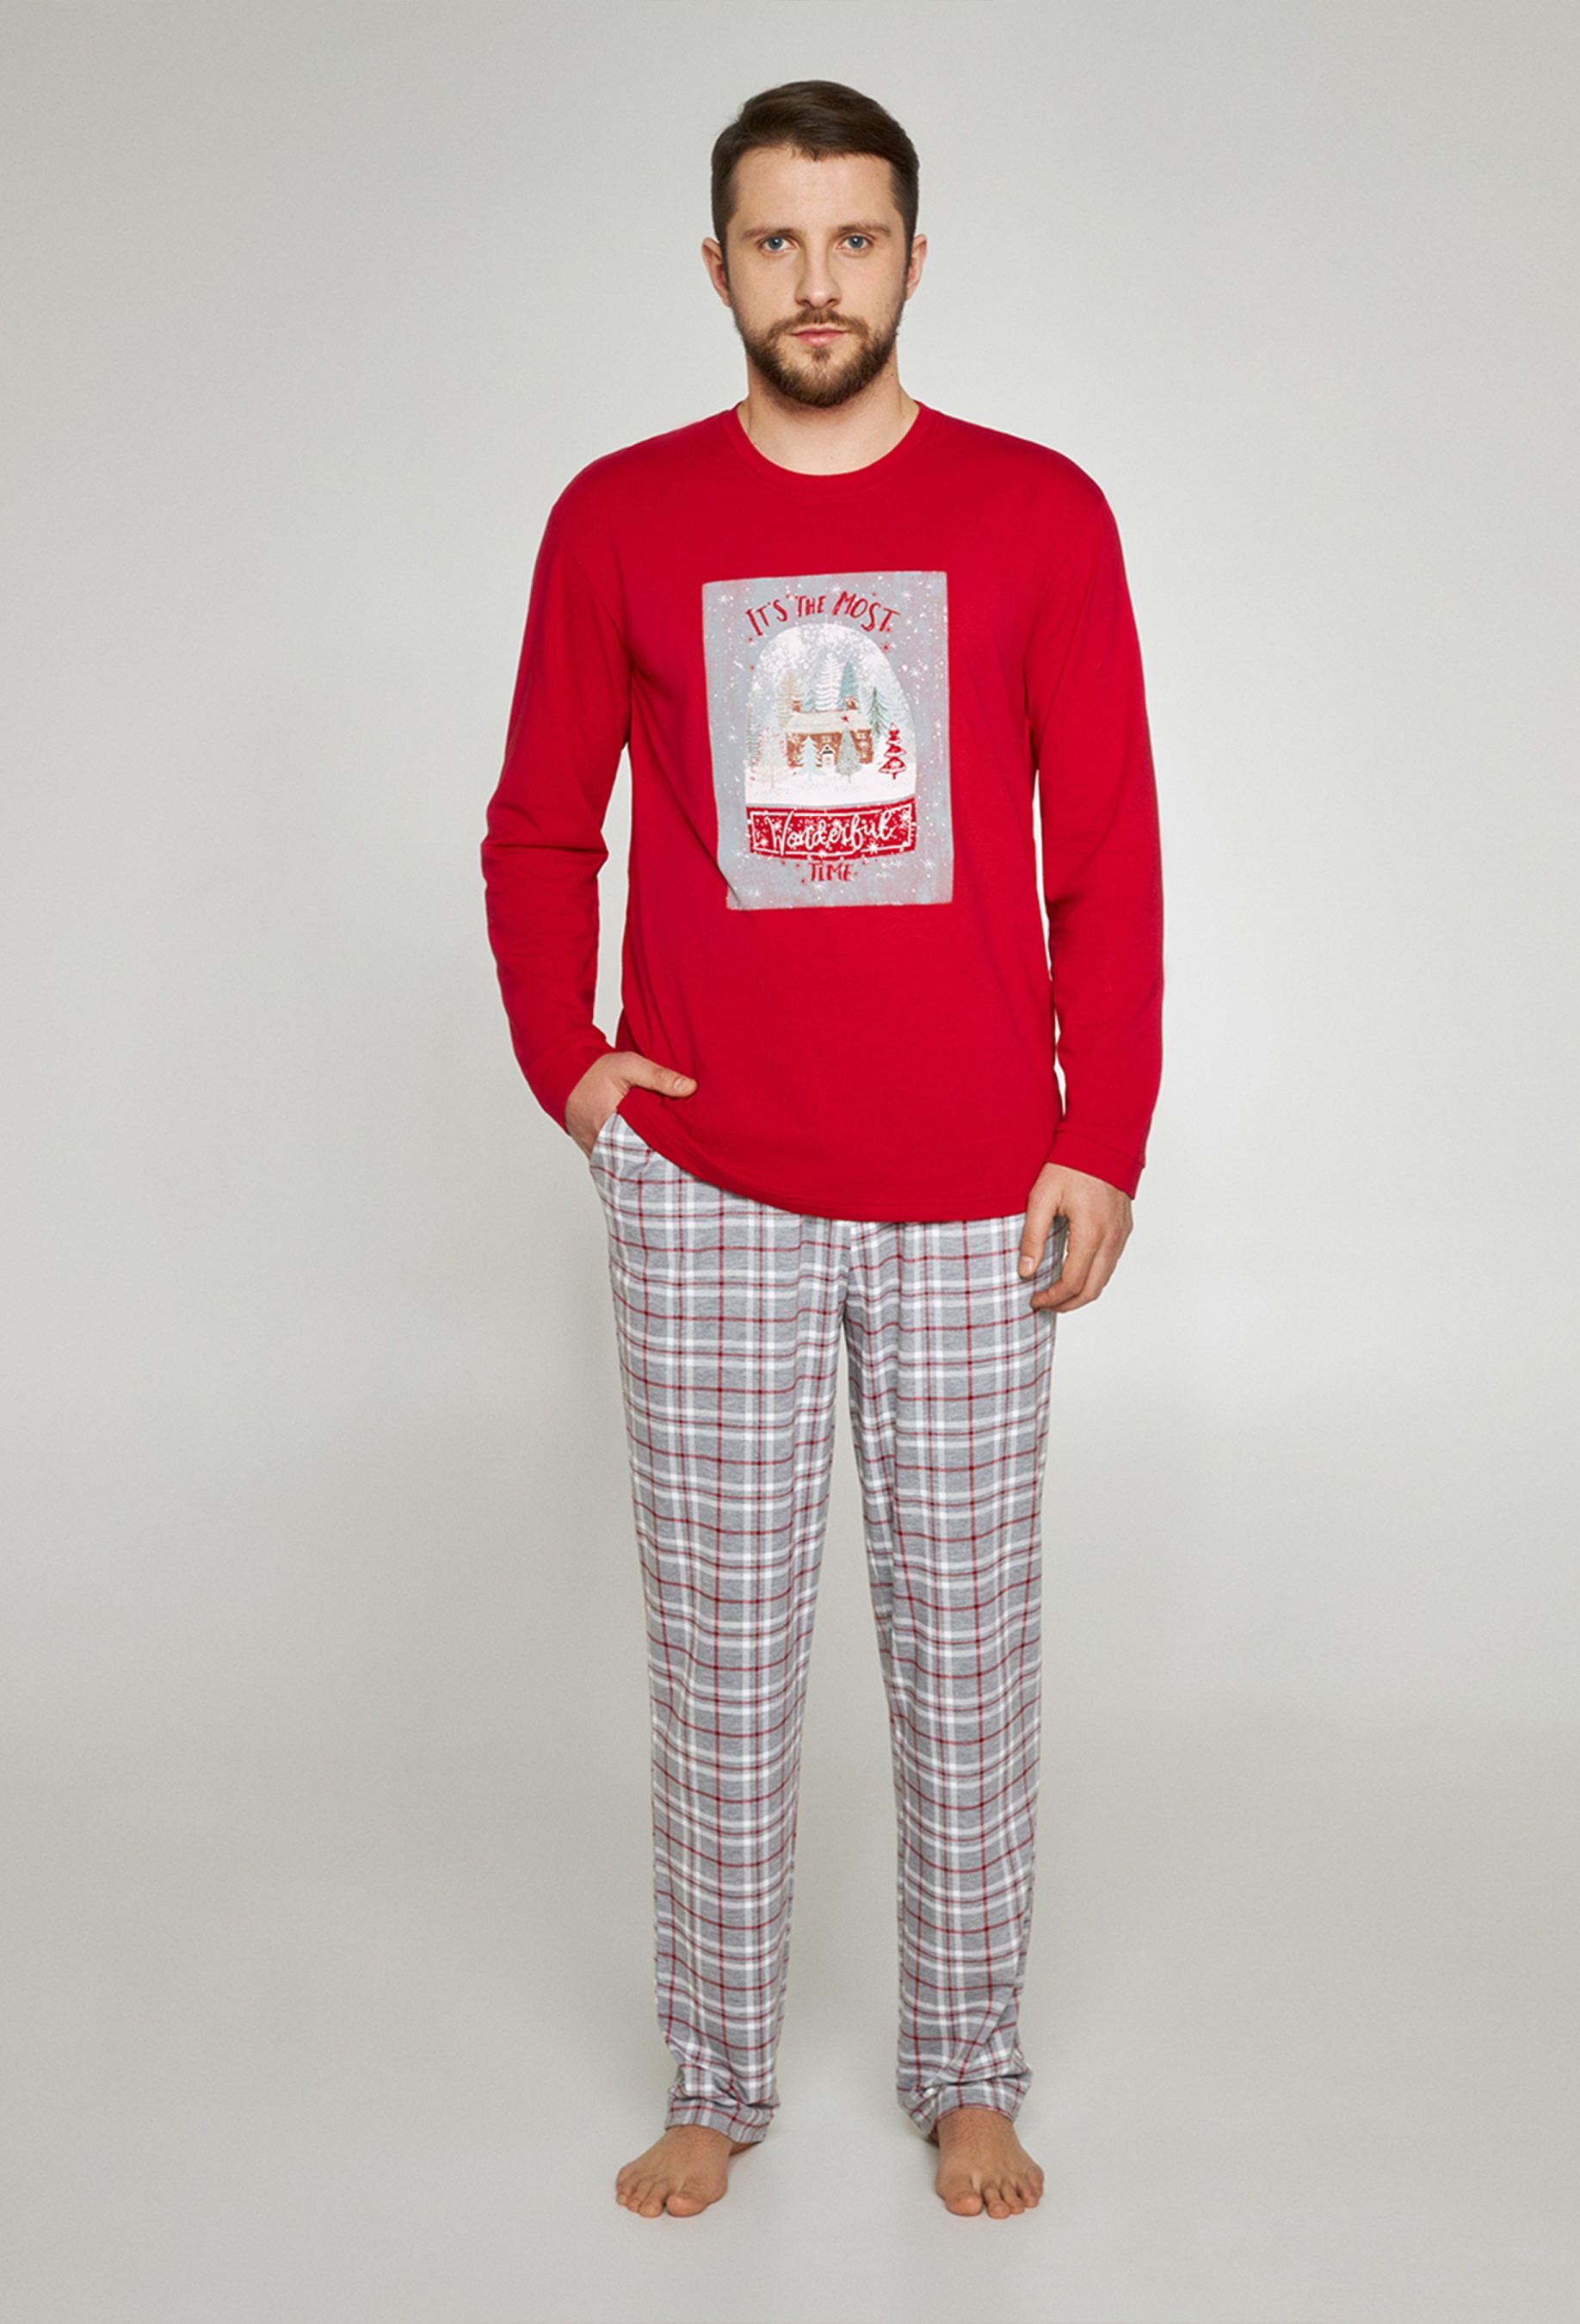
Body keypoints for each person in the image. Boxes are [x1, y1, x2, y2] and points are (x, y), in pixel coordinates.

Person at [482, 80, 1163, 2223]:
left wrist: (1101, 1132)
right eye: (773, 242)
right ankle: (718, 2074)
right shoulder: (619, 517)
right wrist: (573, 1068)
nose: (814, 282)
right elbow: (538, 825)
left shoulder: (1037, 514)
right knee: (719, 1658)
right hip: (706, 1191)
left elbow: (1107, 852)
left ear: (911, 259)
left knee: (965, 1653)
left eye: (851, 239)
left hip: (974, 1192)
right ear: (715, 266)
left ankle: (966, 2071)